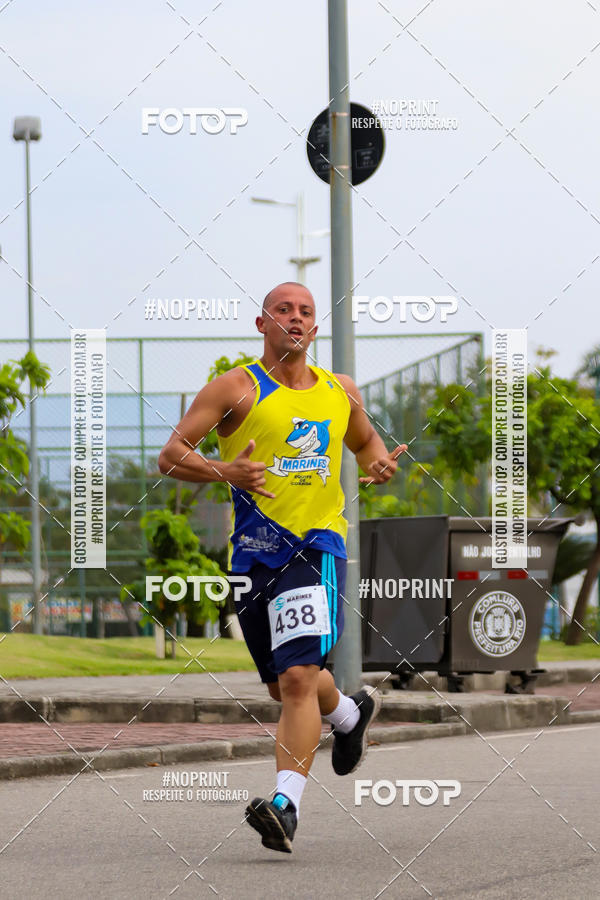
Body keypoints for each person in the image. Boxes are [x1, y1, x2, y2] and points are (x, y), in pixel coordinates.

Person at [158, 282, 406, 853]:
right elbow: (171, 455)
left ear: (314, 329)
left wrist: (378, 466)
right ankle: (347, 713)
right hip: (251, 555)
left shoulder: (339, 390)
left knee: (297, 680)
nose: (295, 318)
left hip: (314, 548)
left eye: (306, 312)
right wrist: (228, 472)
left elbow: (367, 446)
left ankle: (285, 807)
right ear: (262, 323)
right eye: (284, 310)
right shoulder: (236, 388)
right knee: (282, 686)